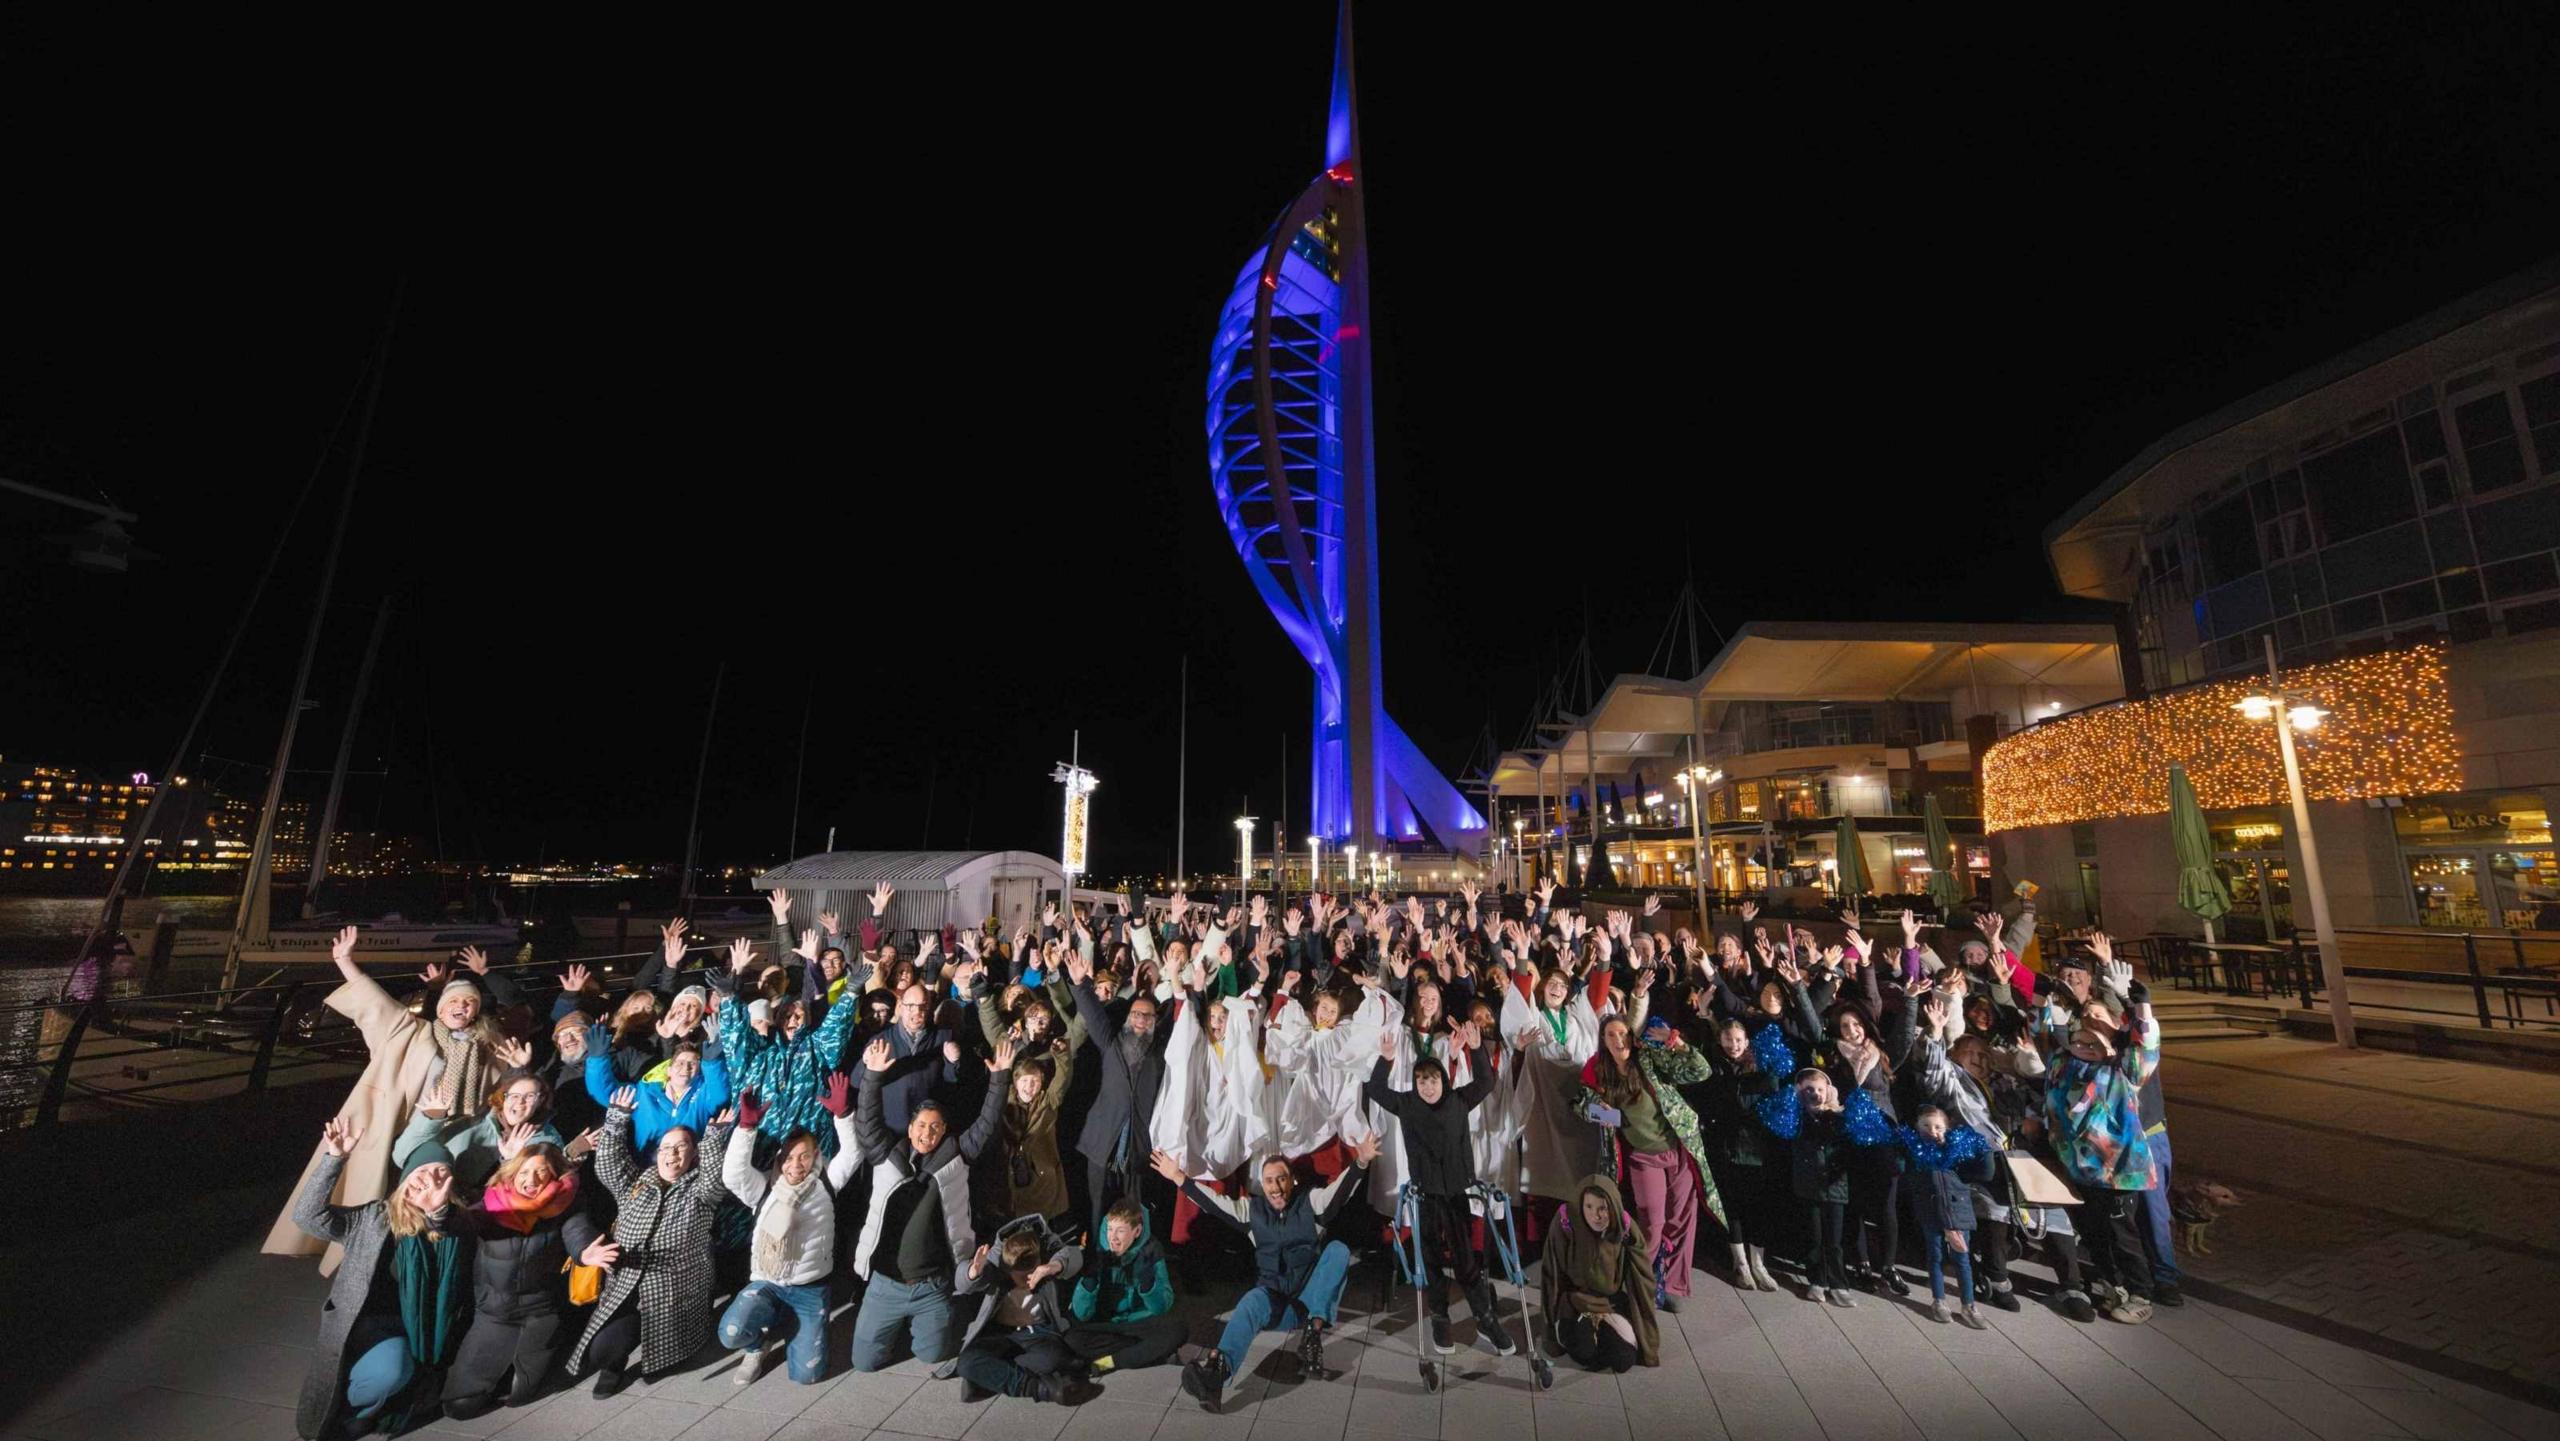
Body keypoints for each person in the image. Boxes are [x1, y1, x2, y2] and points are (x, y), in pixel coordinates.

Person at [267, 925, 513, 1275]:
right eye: (454, 1000)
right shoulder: (413, 1033)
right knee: (382, 1200)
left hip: (447, 1138)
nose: (462, 1006)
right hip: (398, 1130)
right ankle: (372, 1266)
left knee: (434, 1205)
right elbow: (375, 1005)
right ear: (440, 1008)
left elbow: (507, 1083)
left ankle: (422, 1267)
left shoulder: (485, 1047)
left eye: (470, 1002)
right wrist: (345, 962)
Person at [1160, 1138, 1377, 1412]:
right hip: (1278, 1306)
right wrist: (1179, 1177)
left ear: (1292, 1181)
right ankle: (1216, 1375)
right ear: (1262, 1185)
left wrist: (1361, 1162)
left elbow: (1341, 1190)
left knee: (1337, 1250)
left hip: (1310, 1303)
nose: (1276, 1187)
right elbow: (1213, 1204)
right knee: (1252, 1300)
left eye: (1282, 1179)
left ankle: (1313, 1333)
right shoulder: (1252, 1212)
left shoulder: (1311, 1202)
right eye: (1270, 1181)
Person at [846, 1035, 1015, 1373]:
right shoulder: (886, 1156)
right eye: (921, 1126)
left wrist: (1000, 1078)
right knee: (864, 1363)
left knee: (934, 1354)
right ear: (910, 1129)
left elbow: (986, 1125)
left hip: (932, 1286)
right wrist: (872, 1075)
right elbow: (866, 1123)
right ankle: (890, 1324)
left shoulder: (955, 1155)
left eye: (935, 1127)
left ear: (944, 1131)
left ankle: (924, 1322)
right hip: (885, 1284)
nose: (927, 1133)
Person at [290, 1123, 470, 1439]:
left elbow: (449, 1261)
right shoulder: (374, 1217)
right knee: (365, 1373)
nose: (429, 1179)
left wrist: (435, 1218)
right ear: (405, 1177)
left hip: (404, 1328)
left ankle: (356, 1409)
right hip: (358, 1322)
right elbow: (307, 1217)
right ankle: (345, 1398)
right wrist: (334, 1159)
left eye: (440, 1172)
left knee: (391, 1373)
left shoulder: (453, 1223)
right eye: (422, 1170)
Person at [562, 1088, 737, 1396]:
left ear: (693, 1154)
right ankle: (614, 1363)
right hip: (627, 1280)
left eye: (681, 1148)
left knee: (666, 1359)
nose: (672, 1155)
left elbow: (712, 1175)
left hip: (675, 1288)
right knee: (601, 1351)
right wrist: (616, 1121)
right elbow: (608, 1165)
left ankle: (669, 1348)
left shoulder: (702, 1192)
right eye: (666, 1147)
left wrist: (714, 1138)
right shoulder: (638, 1181)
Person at [1362, 1023, 1514, 1355]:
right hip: (1426, 1193)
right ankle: (1440, 1317)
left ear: (1442, 1080)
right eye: (1421, 1080)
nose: (1427, 1086)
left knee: (1465, 1259)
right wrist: (1386, 1059)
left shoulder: (1458, 1100)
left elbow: (1487, 1082)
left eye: (1432, 1079)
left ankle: (1485, 1319)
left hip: (1457, 1192)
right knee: (1429, 1256)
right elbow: (1375, 1089)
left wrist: (1476, 1050)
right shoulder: (1406, 1104)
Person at [443, 1141, 610, 1419]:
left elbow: (577, 1232)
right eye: (524, 1171)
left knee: (520, 1394)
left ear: (554, 1175)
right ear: (512, 1172)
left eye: (541, 1172)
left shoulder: (566, 1205)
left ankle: (550, 1354)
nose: (530, 1180)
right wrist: (440, 1214)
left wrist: (585, 1251)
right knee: (459, 1406)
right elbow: (460, 1223)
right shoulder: (492, 1203)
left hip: (540, 1311)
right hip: (494, 1313)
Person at [717, 1081, 865, 1385]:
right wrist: (746, 1128)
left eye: (804, 1157)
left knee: (807, 1375)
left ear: (815, 1158)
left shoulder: (825, 1184)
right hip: (767, 1284)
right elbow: (732, 1173)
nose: (795, 1164)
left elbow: (852, 1154)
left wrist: (844, 1115)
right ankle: (757, 1347)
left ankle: (794, 1324)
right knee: (731, 1333)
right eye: (788, 1157)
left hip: (810, 1289)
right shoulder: (764, 1189)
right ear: (779, 1159)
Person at [1575, 1013, 1724, 1311]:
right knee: (1653, 1224)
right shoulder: (1598, 1071)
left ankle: (1669, 1284)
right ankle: (1639, 1283)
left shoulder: (1650, 1057)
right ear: (1603, 1041)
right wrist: (1603, 1111)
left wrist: (1679, 1045)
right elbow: (1580, 1106)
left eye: (1623, 1033)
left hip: (1678, 1147)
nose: (1619, 1040)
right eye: (1611, 1035)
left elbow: (1700, 1071)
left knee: (1682, 1217)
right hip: (1644, 1157)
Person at [1067, 946, 1173, 1236]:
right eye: (1137, 1013)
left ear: (1155, 1022)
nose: (1141, 1018)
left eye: (1148, 1016)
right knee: (1097, 1213)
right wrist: (1080, 983)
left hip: (1137, 1152)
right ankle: (1096, 1265)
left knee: (1132, 1218)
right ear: (1128, 1016)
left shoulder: (1159, 1055)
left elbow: (1182, 1017)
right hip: (1102, 1146)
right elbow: (1094, 1015)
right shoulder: (1112, 1044)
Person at [950, 1227, 1099, 1405]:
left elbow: (1073, 1256)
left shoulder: (1048, 1260)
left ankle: (994, 1378)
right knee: (967, 1363)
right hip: (1002, 1335)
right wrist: (973, 1272)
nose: (1026, 1280)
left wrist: (1053, 1267)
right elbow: (964, 1283)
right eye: (1020, 1276)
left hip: (1039, 1333)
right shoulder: (996, 1265)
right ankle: (1037, 1388)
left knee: (1053, 1360)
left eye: (1030, 1273)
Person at [1539, 1174, 1662, 1373]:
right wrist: (1550, 1334)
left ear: (1612, 1207)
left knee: (1623, 1360)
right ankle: (1588, 1333)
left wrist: (1647, 1339)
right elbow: (1551, 1276)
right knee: (1585, 1353)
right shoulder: (1566, 1223)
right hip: (1576, 1303)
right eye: (1589, 1207)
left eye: (1602, 1208)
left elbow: (1642, 1281)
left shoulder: (1625, 1228)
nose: (1595, 1215)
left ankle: (1603, 1331)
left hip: (1611, 1304)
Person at [1062, 1197, 1188, 1377]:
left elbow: (1162, 1307)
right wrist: (1089, 1282)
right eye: (1110, 1229)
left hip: (1139, 1322)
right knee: (1072, 1339)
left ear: (1136, 1231)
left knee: (1178, 1330)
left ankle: (1109, 1362)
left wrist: (1148, 1284)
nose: (1113, 1237)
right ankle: (1143, 1354)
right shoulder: (1099, 1251)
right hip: (1105, 1324)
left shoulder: (1151, 1250)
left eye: (1120, 1231)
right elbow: (1081, 1313)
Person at [391, 1067, 559, 1194]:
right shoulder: (472, 1122)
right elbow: (401, 1156)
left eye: (530, 1096)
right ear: (504, 1097)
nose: (520, 1102)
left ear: (541, 1100)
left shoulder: (546, 1139)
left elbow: (540, 1189)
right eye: (514, 1095)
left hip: (488, 1219)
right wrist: (431, 1119)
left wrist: (510, 1161)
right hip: (430, 1196)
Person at [1898, 1106, 1992, 1328]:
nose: (1932, 1131)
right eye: (1926, 1126)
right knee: (1935, 1257)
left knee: (1962, 1260)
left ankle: (1969, 1305)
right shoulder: (1916, 1155)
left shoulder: (1956, 1154)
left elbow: (1986, 1171)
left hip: (1958, 1213)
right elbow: (1904, 1173)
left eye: (1938, 1127)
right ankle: (1939, 1301)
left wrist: (1984, 1147)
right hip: (1930, 1213)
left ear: (1947, 1129)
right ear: (1917, 1128)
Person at [583, 1037, 728, 1156]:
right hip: (645, 1169)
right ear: (669, 1070)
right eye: (680, 1063)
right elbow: (605, 1092)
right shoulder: (645, 1093)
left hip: (686, 1170)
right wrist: (597, 1059)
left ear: (699, 1071)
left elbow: (720, 1095)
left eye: (692, 1064)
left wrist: (712, 1063)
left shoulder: (704, 1094)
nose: (685, 1067)